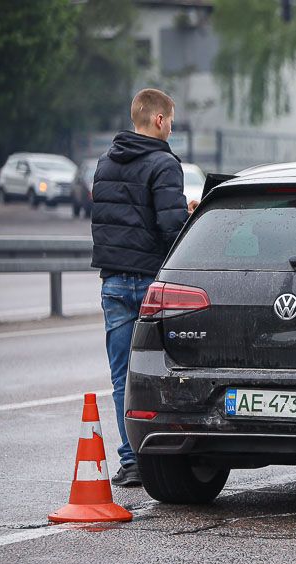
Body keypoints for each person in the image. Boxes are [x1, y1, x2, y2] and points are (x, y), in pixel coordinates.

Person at [90, 88, 198, 487]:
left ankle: (131, 460)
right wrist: (190, 221)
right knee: (169, 372)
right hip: (153, 284)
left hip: (115, 281)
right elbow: (168, 228)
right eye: (170, 119)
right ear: (158, 120)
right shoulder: (163, 163)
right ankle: (168, 454)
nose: (171, 125)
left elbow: (110, 220)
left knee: (124, 378)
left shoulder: (106, 162)